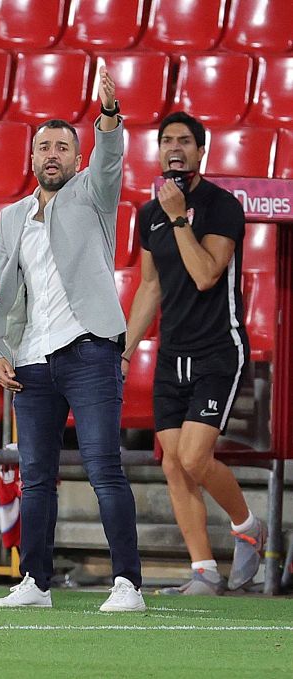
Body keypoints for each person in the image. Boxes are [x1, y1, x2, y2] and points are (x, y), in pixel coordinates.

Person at [0, 65, 144, 612]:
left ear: (76, 159)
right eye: (43, 147)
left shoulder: (95, 195)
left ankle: (128, 583)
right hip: (31, 360)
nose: (52, 154)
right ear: (31, 159)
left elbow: (111, 157)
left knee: (103, 467)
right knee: (35, 479)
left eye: (61, 147)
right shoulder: (12, 217)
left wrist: (107, 118)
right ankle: (35, 582)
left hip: (91, 350)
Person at [122, 111, 267, 595]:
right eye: (166, 141)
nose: (174, 148)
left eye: (184, 140)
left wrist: (179, 216)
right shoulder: (148, 215)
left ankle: (248, 525)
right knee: (171, 462)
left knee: (193, 456)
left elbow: (206, 273)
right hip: (172, 353)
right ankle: (203, 570)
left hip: (217, 350)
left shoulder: (221, 206)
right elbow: (149, 286)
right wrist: (123, 351)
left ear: (202, 151)